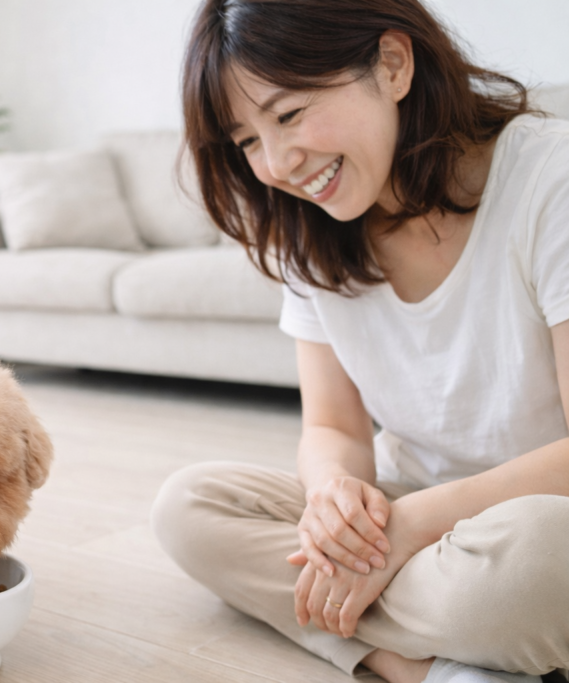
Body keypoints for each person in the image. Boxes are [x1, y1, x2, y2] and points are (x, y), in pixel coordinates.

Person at [151, 1, 569, 682]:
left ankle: (420, 634)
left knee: (536, 563)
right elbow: (332, 425)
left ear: (393, 64)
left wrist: (411, 528)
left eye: (288, 114)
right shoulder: (305, 233)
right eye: (247, 141)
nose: (279, 163)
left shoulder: (552, 180)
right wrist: (334, 496)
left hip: (539, 516)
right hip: (414, 503)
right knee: (189, 506)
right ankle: (429, 664)